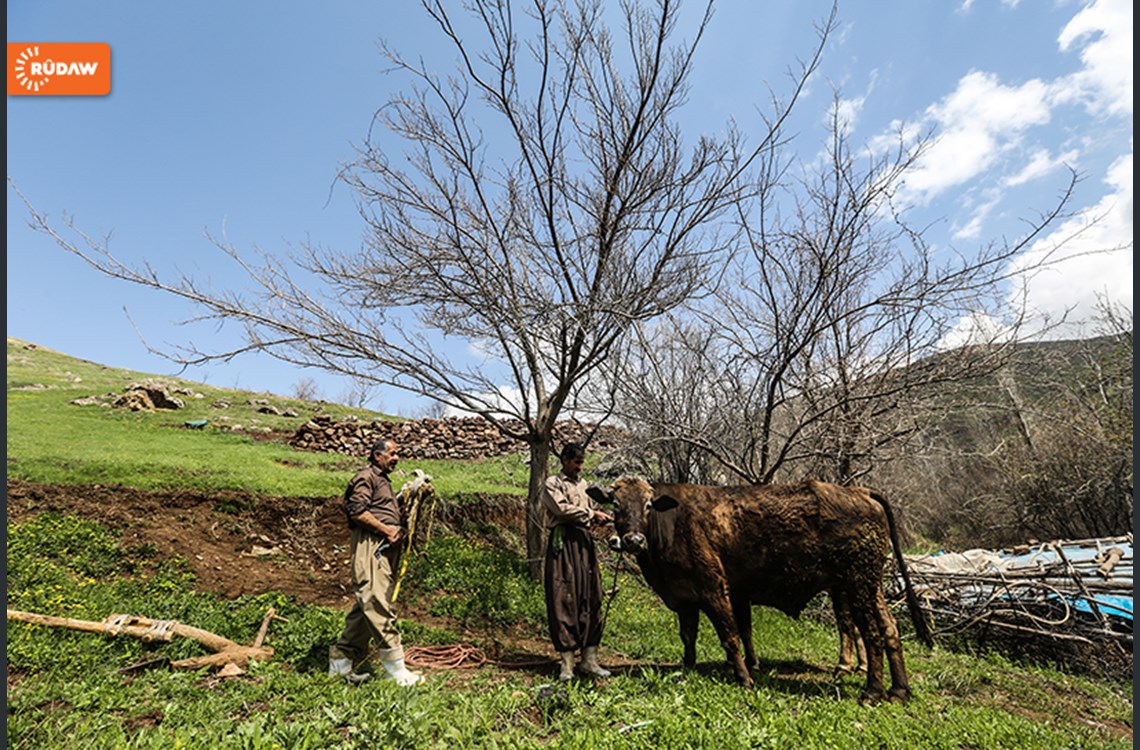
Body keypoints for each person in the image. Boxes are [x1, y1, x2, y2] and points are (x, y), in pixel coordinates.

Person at [328, 438, 424, 686]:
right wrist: (387, 530)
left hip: (385, 545)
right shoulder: (366, 476)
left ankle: (340, 662)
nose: (396, 458)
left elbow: (383, 510)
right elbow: (357, 511)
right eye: (392, 454)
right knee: (375, 599)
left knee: (365, 606)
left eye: (397, 454)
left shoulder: (384, 482)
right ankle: (397, 669)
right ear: (376, 455)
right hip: (372, 543)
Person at [541, 442, 614, 680]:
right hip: (563, 544)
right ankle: (567, 664)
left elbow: (588, 512)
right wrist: (592, 514)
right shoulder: (553, 483)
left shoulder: (584, 485)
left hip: (584, 542)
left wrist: (598, 520)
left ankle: (589, 661)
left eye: (582, 462)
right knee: (563, 597)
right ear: (564, 460)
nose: (579, 467)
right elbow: (561, 510)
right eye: (576, 462)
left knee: (591, 595)